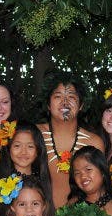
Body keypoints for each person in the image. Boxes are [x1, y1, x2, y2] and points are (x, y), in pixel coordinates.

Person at [37, 73, 104, 207]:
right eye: (58, 96)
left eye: (71, 97)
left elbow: (99, 190)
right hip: (34, 215)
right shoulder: (33, 135)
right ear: (48, 104)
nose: (65, 102)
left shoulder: (94, 143)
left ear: (81, 105)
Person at [0, 120, 53, 215]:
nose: (23, 152)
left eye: (30, 146)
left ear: (38, 150)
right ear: (8, 148)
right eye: (17, 146)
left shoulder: (42, 179)